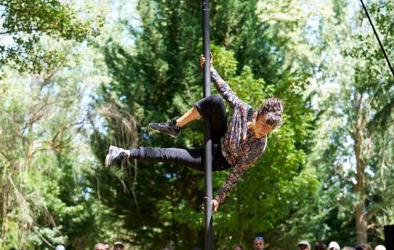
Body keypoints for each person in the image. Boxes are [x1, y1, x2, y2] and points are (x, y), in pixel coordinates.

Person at [106, 54, 284, 213]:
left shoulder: (259, 146)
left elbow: (236, 174)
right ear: (258, 115)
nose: (263, 132)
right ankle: (175, 126)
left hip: (220, 159)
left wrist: (218, 199)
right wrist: (211, 70)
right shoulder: (244, 110)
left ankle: (123, 153)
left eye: (269, 130)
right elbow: (226, 91)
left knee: (172, 154)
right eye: (262, 125)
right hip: (219, 136)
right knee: (215, 101)